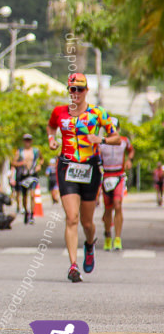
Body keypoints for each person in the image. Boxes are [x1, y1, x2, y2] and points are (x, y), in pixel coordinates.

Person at [47, 72, 120, 283]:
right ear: (68, 91)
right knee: (72, 218)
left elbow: (116, 138)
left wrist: (101, 138)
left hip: (90, 168)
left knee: (87, 223)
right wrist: (52, 140)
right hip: (67, 166)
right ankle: (72, 266)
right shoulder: (59, 112)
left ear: (86, 91)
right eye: (73, 89)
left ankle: (89, 245)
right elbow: (51, 127)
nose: (76, 93)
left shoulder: (98, 113)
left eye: (80, 89)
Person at [98, 117, 133, 251]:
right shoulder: (101, 143)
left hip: (119, 175)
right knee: (108, 208)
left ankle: (117, 238)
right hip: (106, 176)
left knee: (118, 205)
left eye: (114, 128)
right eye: (109, 128)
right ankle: (108, 235)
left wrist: (129, 160)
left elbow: (131, 150)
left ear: (118, 128)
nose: (111, 131)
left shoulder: (124, 141)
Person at [10, 134, 42, 225]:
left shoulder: (36, 151)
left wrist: (39, 165)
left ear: (31, 141)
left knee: (32, 195)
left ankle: (32, 215)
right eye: (25, 140)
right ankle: (26, 212)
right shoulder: (19, 151)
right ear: (23, 141)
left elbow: (42, 159)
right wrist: (21, 163)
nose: (27, 142)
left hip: (33, 174)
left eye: (29, 140)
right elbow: (13, 163)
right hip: (23, 175)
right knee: (24, 196)